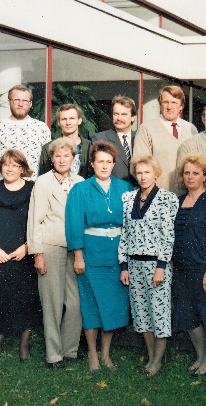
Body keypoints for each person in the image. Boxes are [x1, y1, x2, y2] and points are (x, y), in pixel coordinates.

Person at [65, 140, 134, 371]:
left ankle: (106, 354)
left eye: (108, 162)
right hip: (91, 255)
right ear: (92, 164)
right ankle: (92, 354)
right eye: (100, 161)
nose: (104, 166)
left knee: (112, 305)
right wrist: (78, 256)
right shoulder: (80, 189)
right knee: (91, 305)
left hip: (117, 256)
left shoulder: (125, 188)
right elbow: (74, 223)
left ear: (114, 164)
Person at [0, 149, 41, 366]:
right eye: (6, 164)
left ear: (23, 169)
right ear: (0, 167)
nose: (10, 169)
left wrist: (27, 247)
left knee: (26, 300)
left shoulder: (33, 190)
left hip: (24, 255)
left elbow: (40, 221)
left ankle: (24, 347)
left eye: (15, 165)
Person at [27, 138, 84, 369]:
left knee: (75, 302)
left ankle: (70, 350)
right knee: (52, 303)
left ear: (73, 158)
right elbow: (34, 219)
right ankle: (53, 355)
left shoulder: (80, 182)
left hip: (76, 249)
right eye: (57, 156)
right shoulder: (43, 182)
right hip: (50, 246)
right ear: (51, 158)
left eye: (66, 155)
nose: (62, 160)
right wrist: (37, 253)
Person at [119, 155, 178, 375]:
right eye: (139, 173)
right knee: (142, 314)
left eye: (147, 172)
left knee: (159, 313)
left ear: (156, 174)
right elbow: (125, 233)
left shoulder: (167, 198)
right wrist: (124, 265)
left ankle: (157, 361)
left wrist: (162, 266)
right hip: (134, 264)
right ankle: (151, 358)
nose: (143, 177)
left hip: (156, 265)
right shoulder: (128, 198)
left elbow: (168, 235)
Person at [171, 154, 206, 377]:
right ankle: (200, 355)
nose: (190, 177)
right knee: (187, 314)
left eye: (195, 173)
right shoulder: (177, 201)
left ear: (205, 176)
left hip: (204, 268)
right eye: (187, 173)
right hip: (181, 268)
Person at [134, 86, 198, 193]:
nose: (169, 107)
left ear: (181, 106)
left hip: (187, 196)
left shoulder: (191, 129)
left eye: (174, 102)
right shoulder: (146, 129)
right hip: (157, 195)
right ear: (160, 104)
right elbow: (139, 164)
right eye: (165, 102)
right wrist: (155, 190)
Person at [0, 85, 51, 181]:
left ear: (30, 104)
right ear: (9, 102)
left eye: (25, 101)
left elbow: (48, 159)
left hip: (34, 186)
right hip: (5, 185)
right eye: (16, 100)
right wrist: (1, 182)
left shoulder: (41, 128)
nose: (20, 104)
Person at [91, 96, 138, 186]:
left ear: (133, 117)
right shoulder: (100, 138)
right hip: (111, 190)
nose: (119, 118)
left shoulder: (140, 138)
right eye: (116, 114)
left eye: (124, 114)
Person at [39, 104, 91, 179]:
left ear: (79, 120)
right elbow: (44, 178)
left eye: (72, 118)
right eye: (64, 119)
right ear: (59, 122)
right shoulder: (48, 148)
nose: (68, 123)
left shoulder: (90, 146)